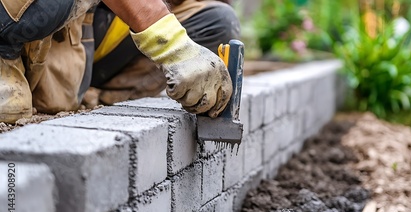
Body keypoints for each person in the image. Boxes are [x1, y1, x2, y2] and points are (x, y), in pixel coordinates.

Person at [0, 0, 235, 124]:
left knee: (217, 21)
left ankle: (101, 97)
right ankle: (6, 58)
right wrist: (173, 46)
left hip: (82, 25)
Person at [86, 0, 240, 106]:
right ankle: (75, 89)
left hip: (112, 45)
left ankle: (110, 100)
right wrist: (174, 44)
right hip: (87, 18)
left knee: (219, 21)